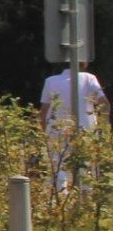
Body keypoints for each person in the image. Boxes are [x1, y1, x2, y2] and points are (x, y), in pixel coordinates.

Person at [39, 58, 108, 192]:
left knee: (58, 167)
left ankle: (60, 203)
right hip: (85, 130)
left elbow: (43, 112)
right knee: (85, 167)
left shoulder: (50, 81)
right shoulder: (89, 79)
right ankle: (85, 202)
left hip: (56, 131)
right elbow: (104, 104)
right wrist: (103, 129)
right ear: (85, 63)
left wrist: (43, 133)